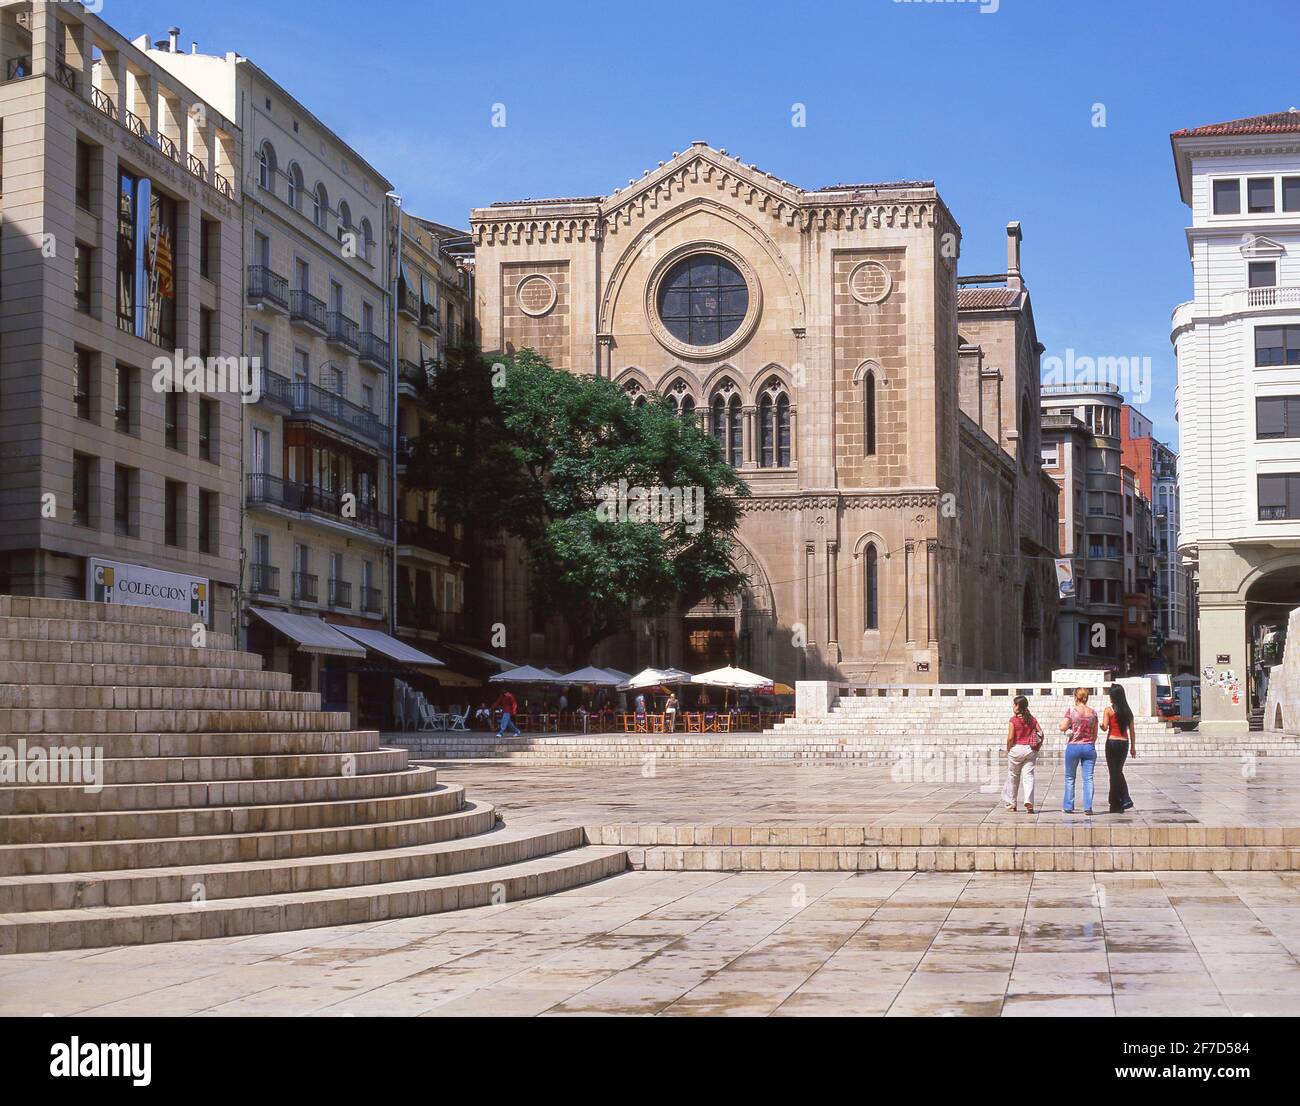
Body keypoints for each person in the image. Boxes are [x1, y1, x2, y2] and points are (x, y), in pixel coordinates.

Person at [1059, 687, 1099, 815]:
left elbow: (1062, 727)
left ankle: (1068, 806)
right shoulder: (1093, 713)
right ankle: (1088, 807)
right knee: (1088, 778)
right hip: (1089, 746)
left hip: (1074, 746)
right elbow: (1095, 734)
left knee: (1070, 777)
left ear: (1076, 697)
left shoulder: (1072, 711)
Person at [1002, 695, 1043, 813]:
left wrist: (1008, 749)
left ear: (1018, 706)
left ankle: (1012, 803)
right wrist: (1038, 747)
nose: (1013, 706)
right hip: (1030, 750)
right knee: (1028, 776)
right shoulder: (1032, 719)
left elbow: (1010, 738)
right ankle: (1029, 802)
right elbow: (1041, 733)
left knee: (1013, 777)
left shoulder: (1013, 720)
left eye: (1014, 704)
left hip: (1016, 749)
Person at [1101, 684, 1137, 813]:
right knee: (1117, 772)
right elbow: (1132, 731)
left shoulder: (1108, 710)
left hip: (1112, 742)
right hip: (1124, 743)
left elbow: (1105, 727)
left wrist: (1100, 725)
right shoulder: (1128, 712)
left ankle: (1124, 799)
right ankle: (1116, 803)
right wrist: (1133, 747)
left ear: (1114, 696)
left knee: (1114, 773)